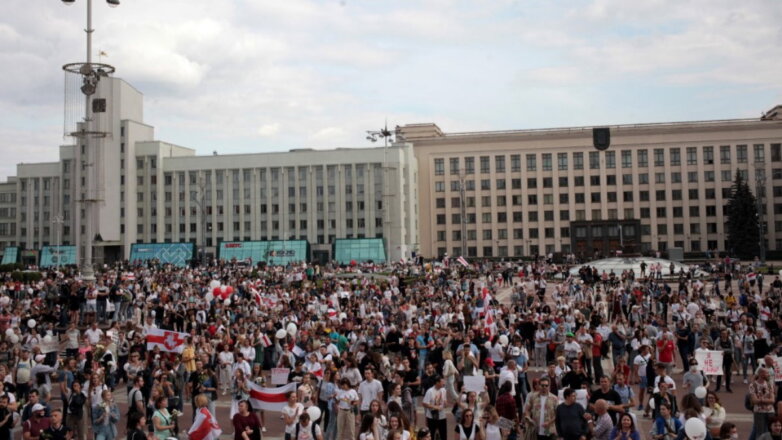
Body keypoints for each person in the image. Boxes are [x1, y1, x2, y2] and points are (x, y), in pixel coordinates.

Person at [750, 367, 777, 438]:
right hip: (759, 412)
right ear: (761, 374)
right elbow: (754, 401)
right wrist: (767, 400)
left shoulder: (769, 384)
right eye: (766, 373)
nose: (768, 374)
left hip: (770, 411)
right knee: (760, 432)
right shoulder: (753, 385)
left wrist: (761, 400)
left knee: (772, 431)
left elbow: (772, 400)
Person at [423, 376, 448, 440]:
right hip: (432, 417)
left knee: (443, 435)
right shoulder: (430, 391)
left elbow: (445, 402)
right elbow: (424, 403)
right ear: (437, 382)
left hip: (442, 416)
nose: (443, 383)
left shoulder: (443, 390)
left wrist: (445, 403)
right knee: (431, 434)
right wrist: (435, 407)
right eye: (442, 382)